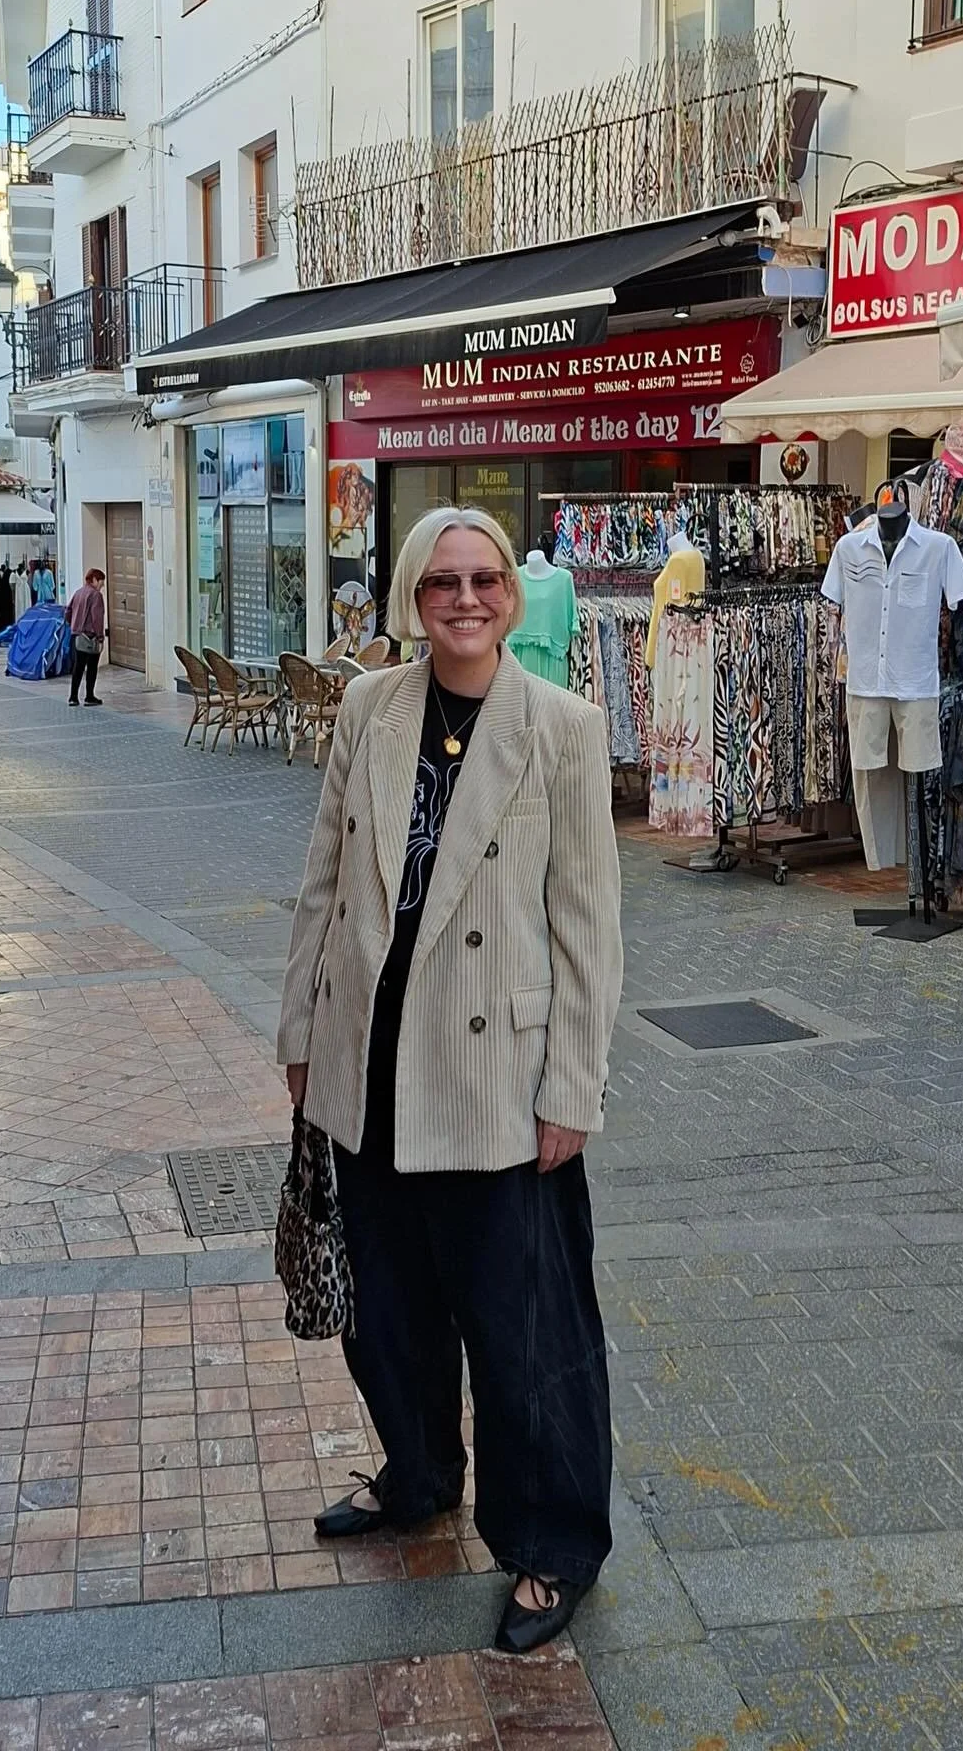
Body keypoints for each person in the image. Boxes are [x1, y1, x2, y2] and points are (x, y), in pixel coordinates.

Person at [279, 506, 623, 1656]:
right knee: (391, 1317)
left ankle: (552, 1543)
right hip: (370, 1066)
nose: (466, 599)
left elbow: (587, 929)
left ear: (510, 596)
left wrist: (573, 1086)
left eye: (484, 580)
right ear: (413, 599)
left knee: (526, 1342)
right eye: (443, 583)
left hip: (497, 1082)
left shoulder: (562, 728)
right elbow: (324, 884)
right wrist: (300, 1033)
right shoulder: (370, 709)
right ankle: (419, 1473)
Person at [65, 567, 106, 705]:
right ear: (94, 580)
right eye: (101, 582)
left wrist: (73, 624)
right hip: (90, 636)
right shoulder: (96, 595)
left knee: (78, 667)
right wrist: (100, 636)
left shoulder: (78, 592)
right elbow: (97, 618)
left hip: (77, 635)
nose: (102, 586)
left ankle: (73, 697)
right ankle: (89, 696)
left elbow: (68, 611)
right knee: (92, 667)